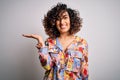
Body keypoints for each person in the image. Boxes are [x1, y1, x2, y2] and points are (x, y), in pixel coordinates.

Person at [23, 3, 89, 80]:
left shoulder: (82, 43)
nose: (62, 22)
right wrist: (42, 46)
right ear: (54, 22)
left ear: (71, 20)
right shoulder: (49, 42)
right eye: (58, 19)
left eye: (65, 17)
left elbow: (84, 72)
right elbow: (47, 66)